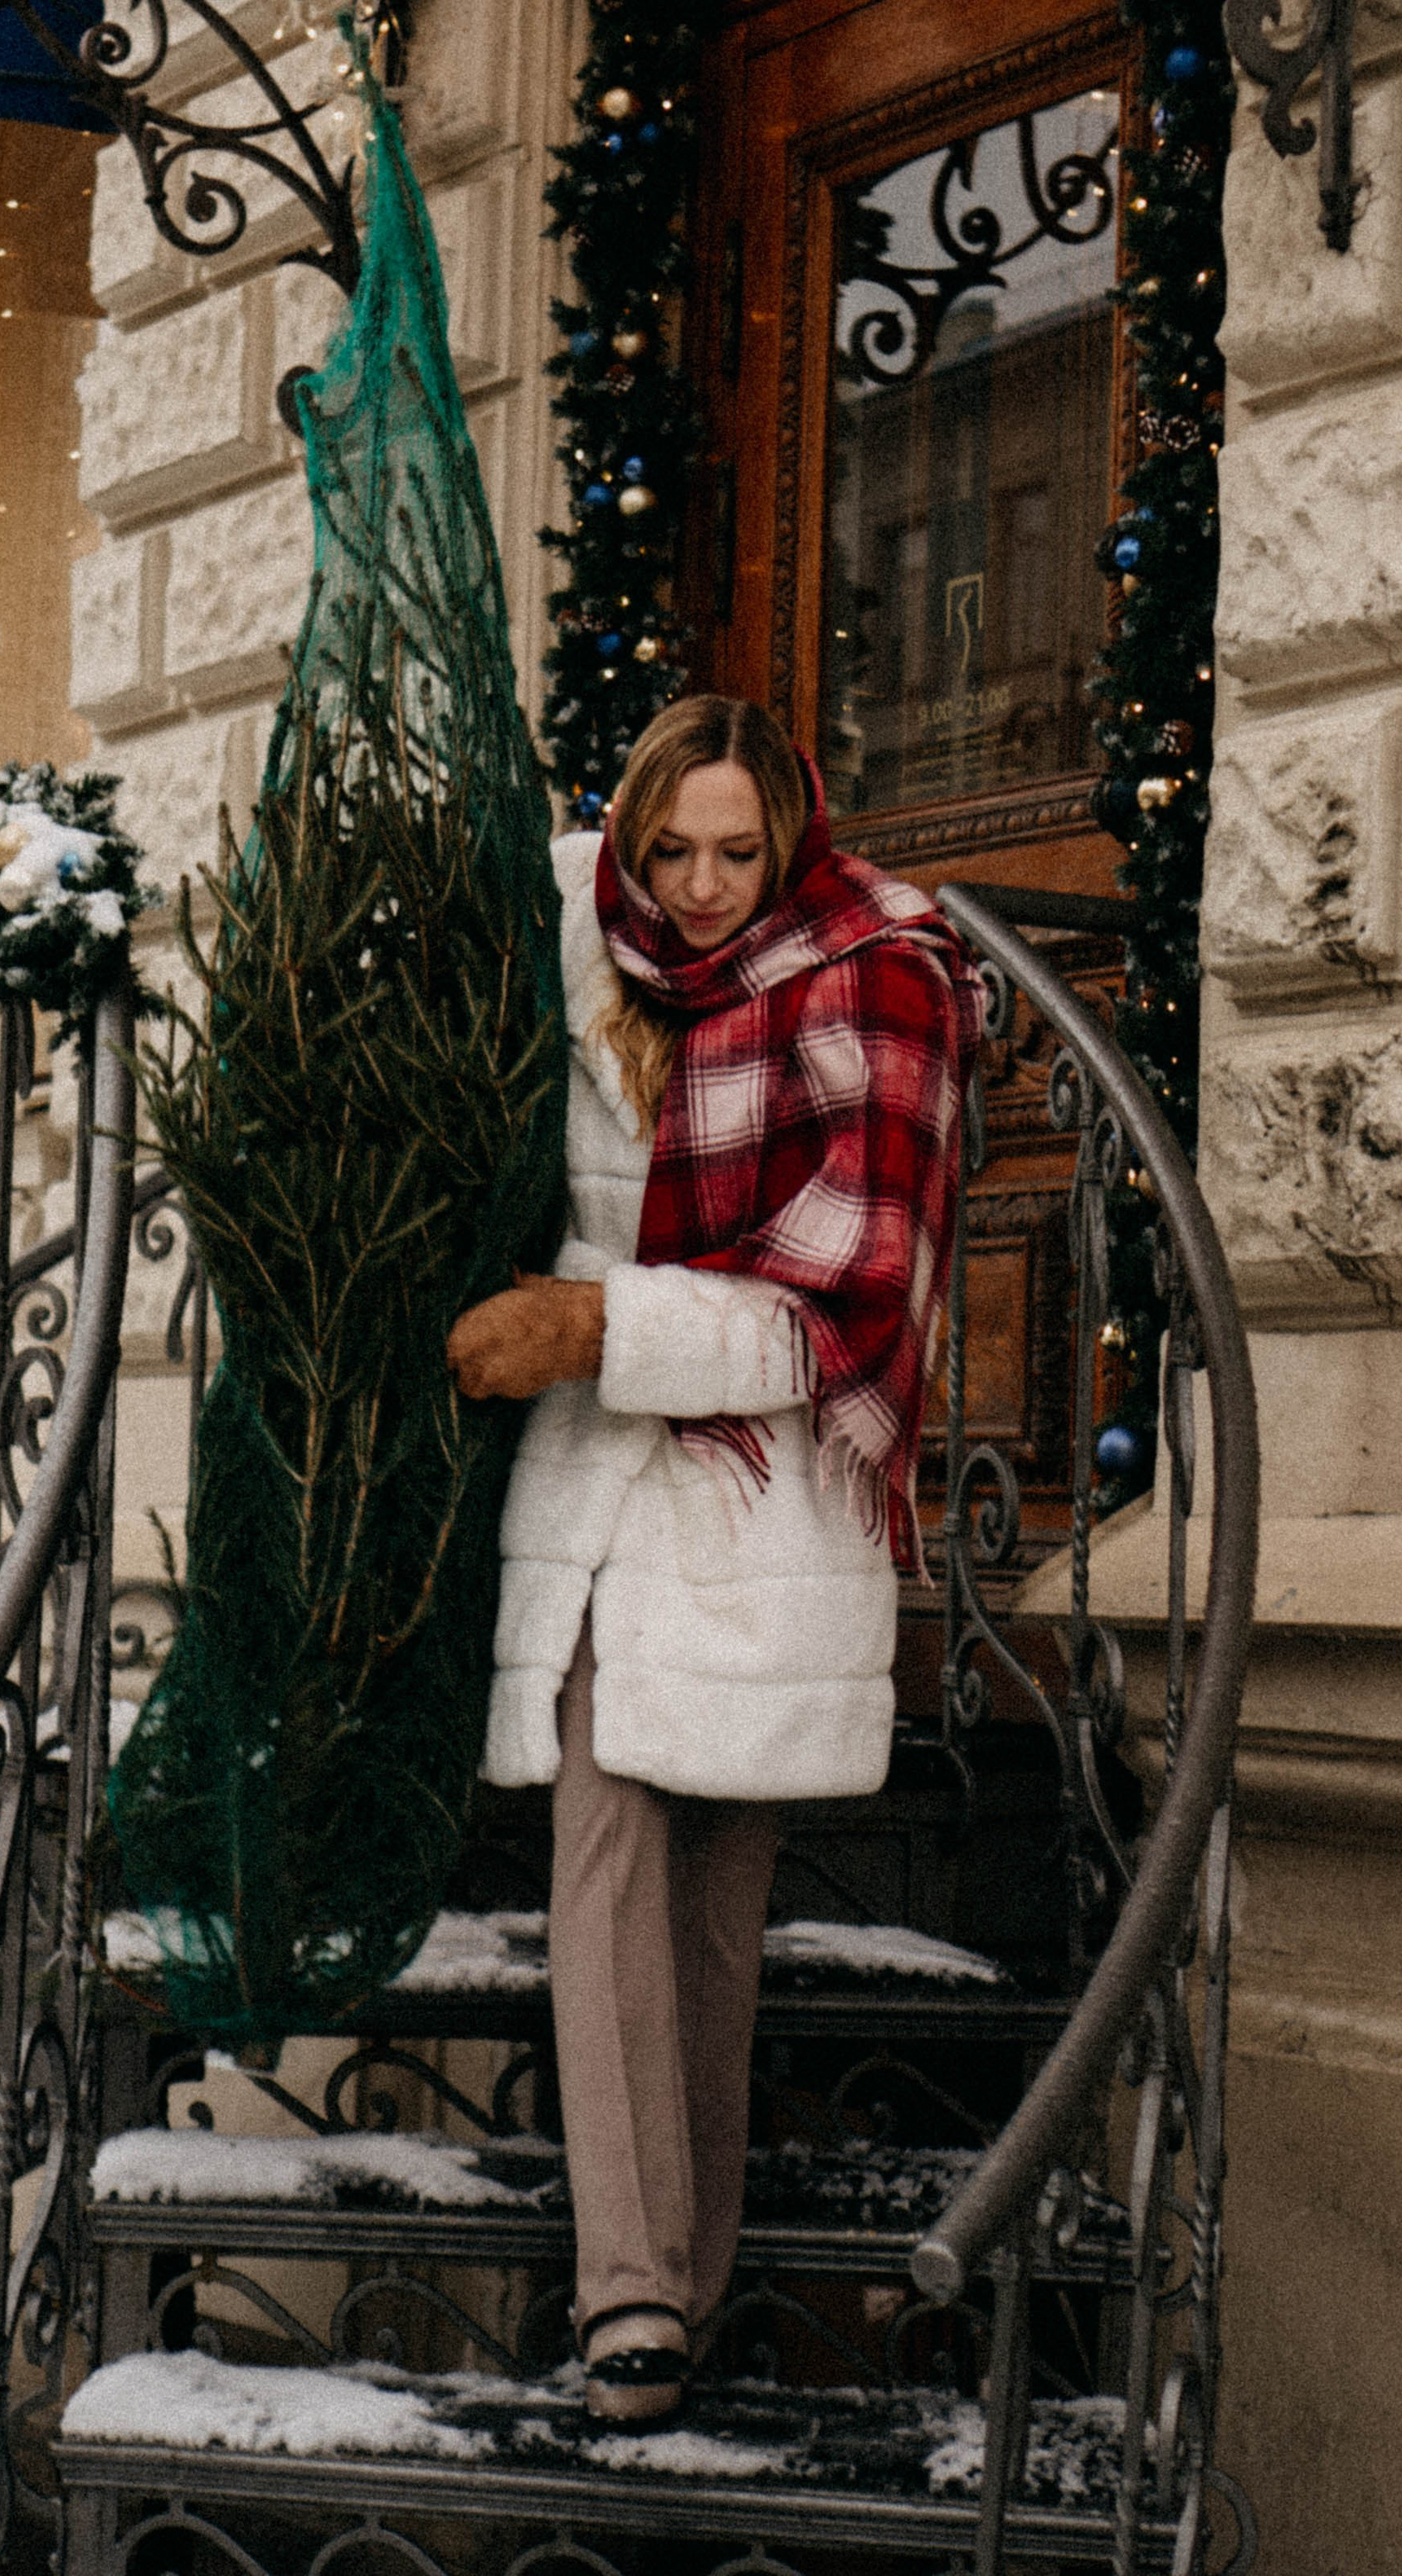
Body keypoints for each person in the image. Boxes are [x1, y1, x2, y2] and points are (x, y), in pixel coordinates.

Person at [447, 695, 984, 2428]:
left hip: (763, 1494)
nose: (692, 886)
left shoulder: (871, 986)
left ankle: (685, 2275)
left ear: (793, 840)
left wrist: (602, 1322)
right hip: (604, 1484)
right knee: (602, 1851)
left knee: (711, 1912)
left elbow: (847, 1309)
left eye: (733, 853)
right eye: (665, 847)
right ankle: (629, 2300)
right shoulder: (576, 945)